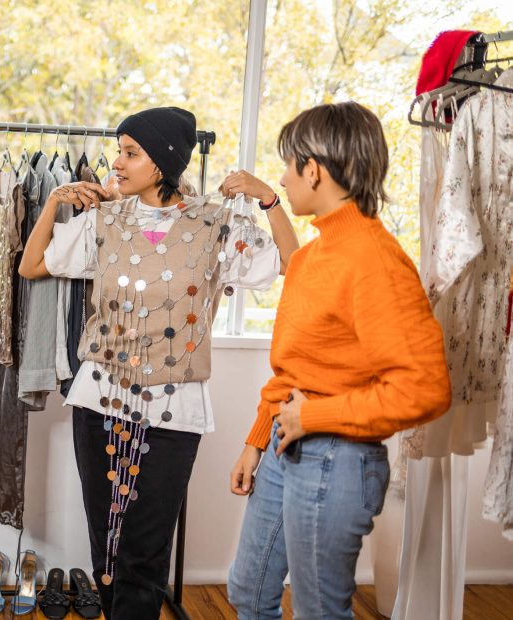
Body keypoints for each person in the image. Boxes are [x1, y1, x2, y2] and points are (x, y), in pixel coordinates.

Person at [19, 106, 299, 619]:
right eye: (119, 152)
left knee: (145, 549)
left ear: (164, 161)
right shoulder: (104, 219)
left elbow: (289, 263)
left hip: (174, 409)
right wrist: (54, 204)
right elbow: (31, 265)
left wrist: (270, 200)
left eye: (131, 153)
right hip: (99, 401)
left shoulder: (214, 225)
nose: (118, 164)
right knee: (106, 544)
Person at [226, 102, 452, 619]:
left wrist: (314, 416)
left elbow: (425, 387)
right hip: (287, 448)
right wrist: (256, 441)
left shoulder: (376, 261)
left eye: (289, 166)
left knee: (319, 611)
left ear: (314, 170)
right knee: (248, 591)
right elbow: (295, 369)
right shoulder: (309, 258)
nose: (282, 178)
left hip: (338, 459)